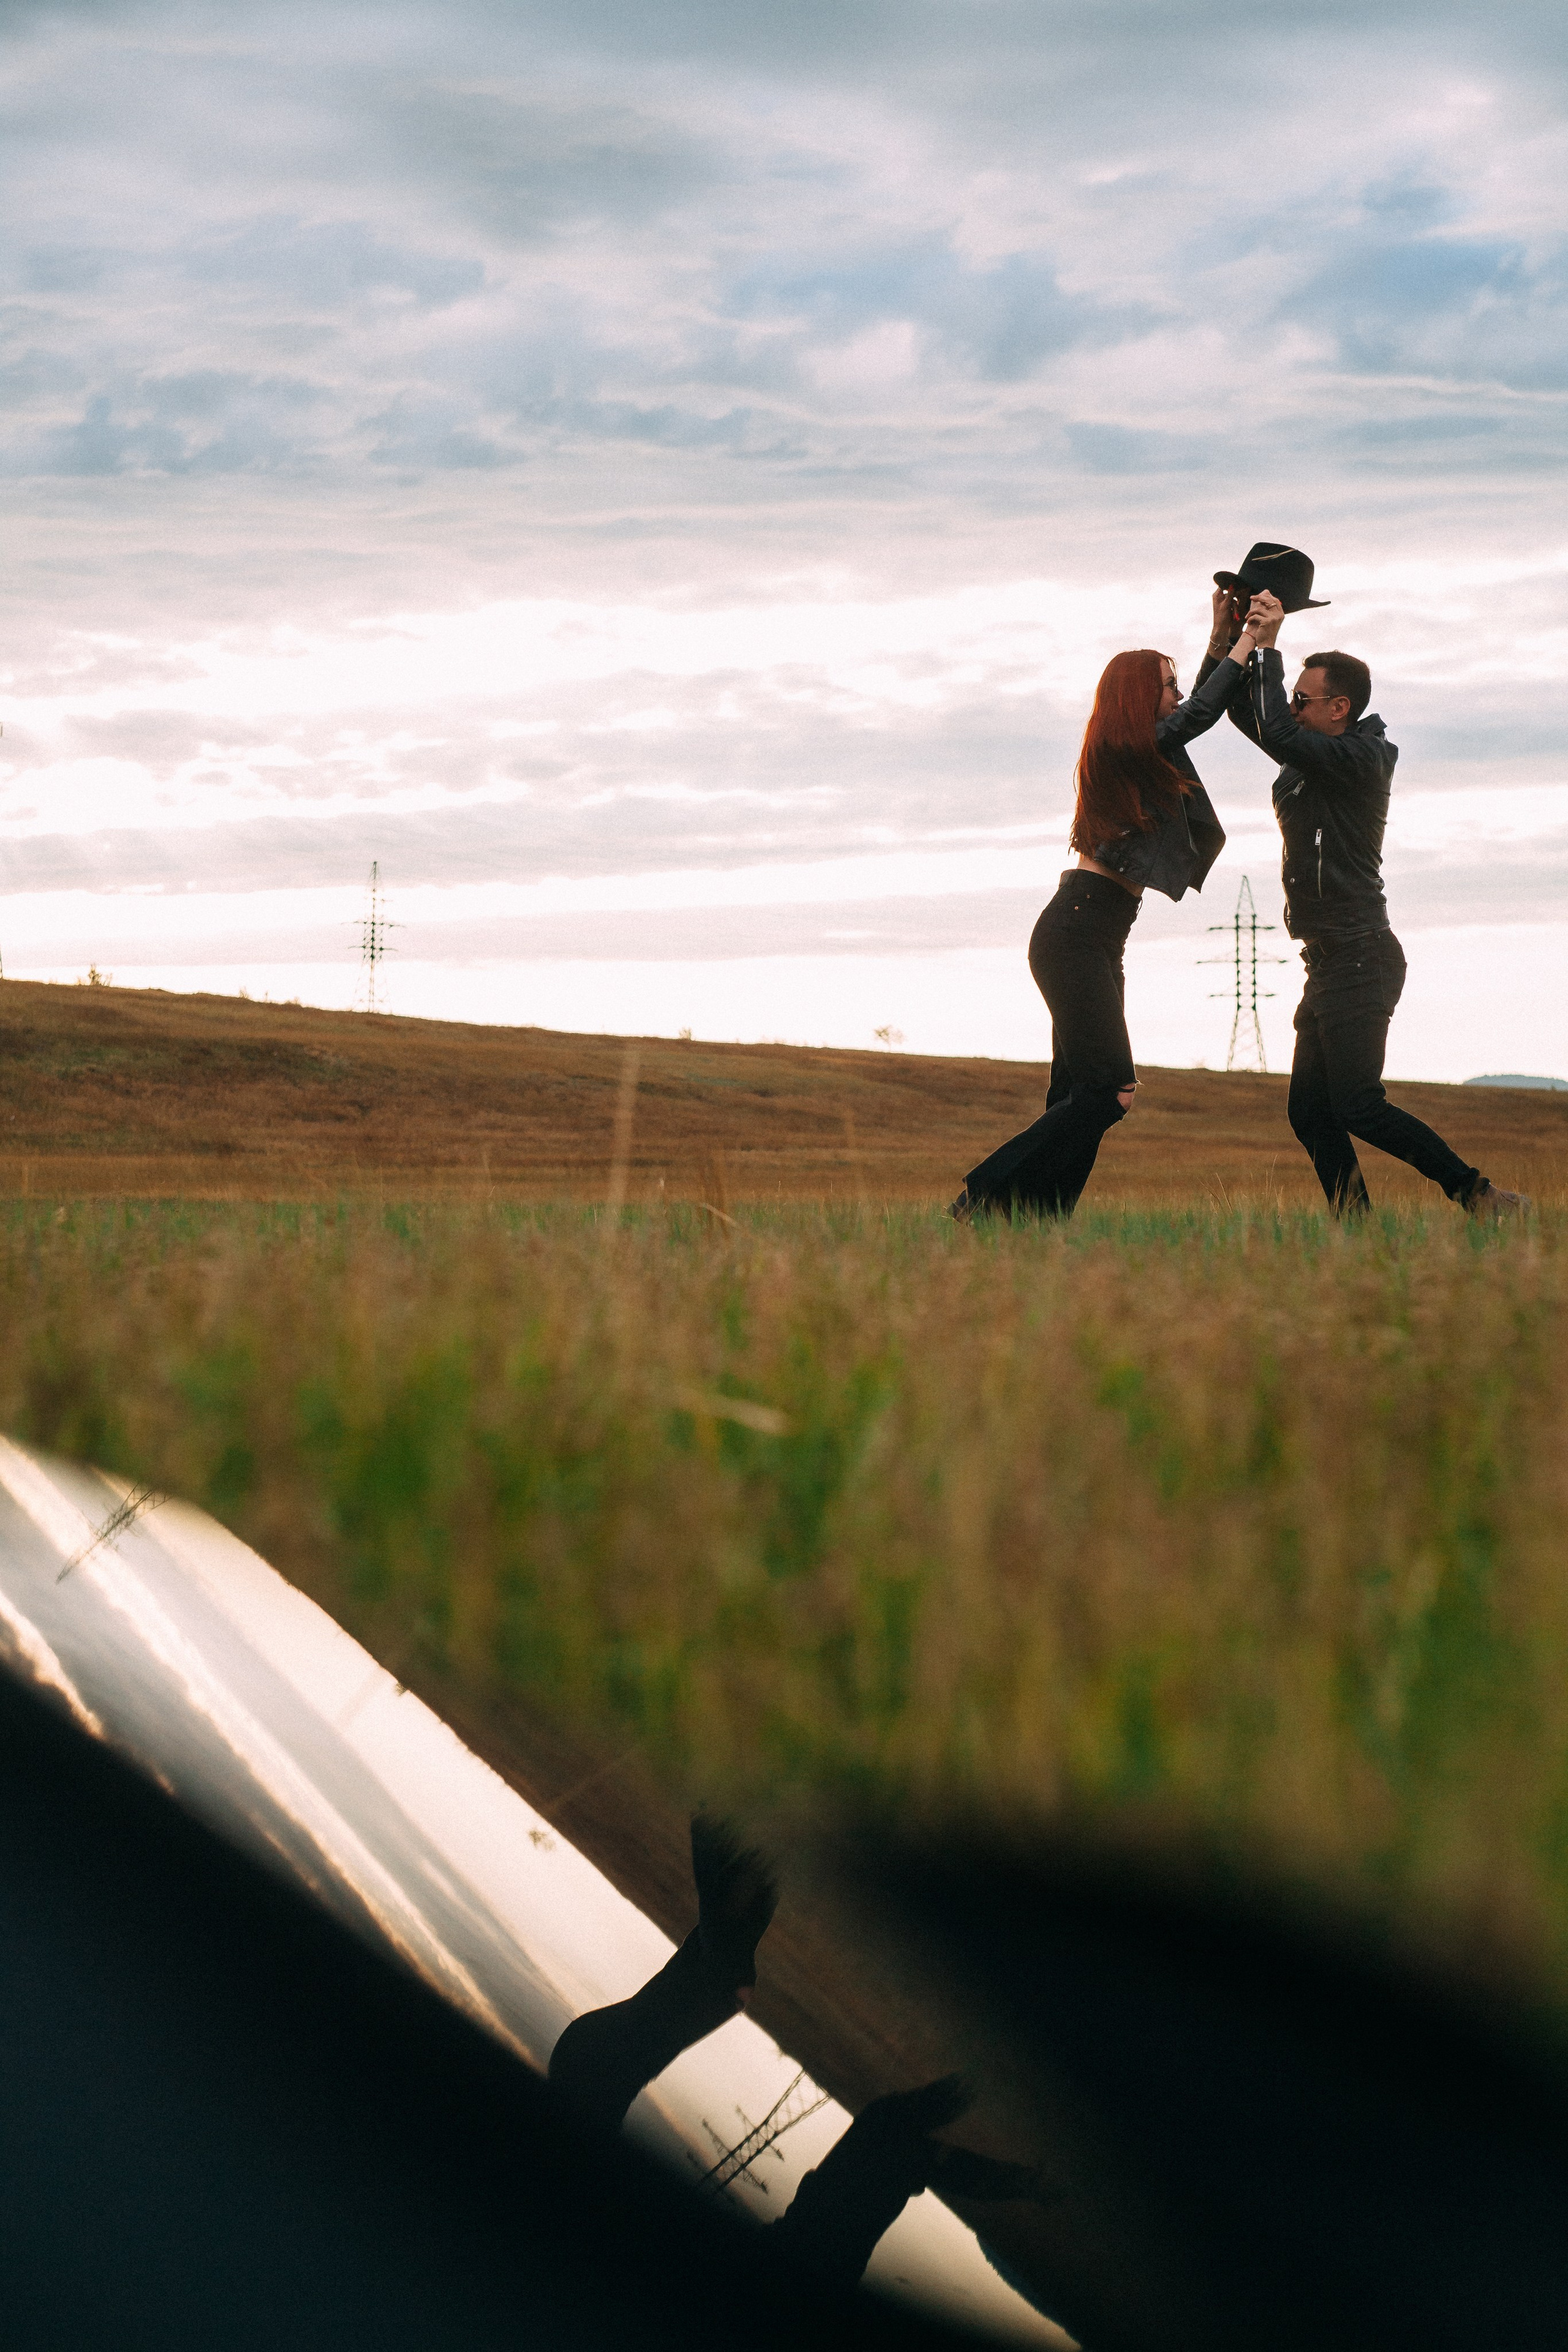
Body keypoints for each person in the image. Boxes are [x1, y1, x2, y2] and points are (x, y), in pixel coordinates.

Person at [1201, 587, 1529, 1219]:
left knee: (1356, 1104)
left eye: (1303, 699)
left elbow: (1270, 721)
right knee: (1309, 1111)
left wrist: (1267, 648)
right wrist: (1227, 639)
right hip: (1326, 960)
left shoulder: (1361, 758)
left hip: (1360, 953)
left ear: (1338, 708)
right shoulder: (1307, 752)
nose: (1291, 709)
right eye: (1291, 698)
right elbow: (1238, 711)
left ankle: (1479, 1196)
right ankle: (1356, 1229)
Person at [951, 609, 1262, 1221]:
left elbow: (1195, 704)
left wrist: (1224, 636)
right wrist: (1250, 639)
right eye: (1166, 687)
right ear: (1140, 698)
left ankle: (1037, 1223)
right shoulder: (1125, 747)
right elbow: (1199, 713)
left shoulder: (1139, 750)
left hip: (1095, 934)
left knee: (1075, 1093)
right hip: (1076, 930)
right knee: (1108, 1092)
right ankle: (982, 1196)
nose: (1177, 697)